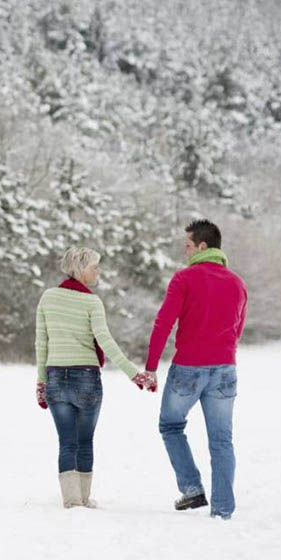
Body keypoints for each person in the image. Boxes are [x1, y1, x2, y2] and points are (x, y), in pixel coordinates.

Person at [134, 219, 248, 520]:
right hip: (224, 369)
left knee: (171, 425)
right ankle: (223, 509)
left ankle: (192, 489)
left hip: (188, 368)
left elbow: (163, 323)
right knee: (222, 439)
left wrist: (151, 367)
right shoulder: (237, 283)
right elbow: (238, 329)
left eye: (187, 245)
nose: (183, 250)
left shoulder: (185, 279)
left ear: (202, 246)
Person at [35, 246, 144, 509]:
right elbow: (104, 340)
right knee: (84, 441)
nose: (98, 271)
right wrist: (133, 373)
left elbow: (42, 343)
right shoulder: (91, 302)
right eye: (94, 266)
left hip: (56, 378)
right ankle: (82, 499)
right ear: (79, 269)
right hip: (86, 378)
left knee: (66, 442)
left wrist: (42, 381)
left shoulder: (48, 298)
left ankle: (72, 501)